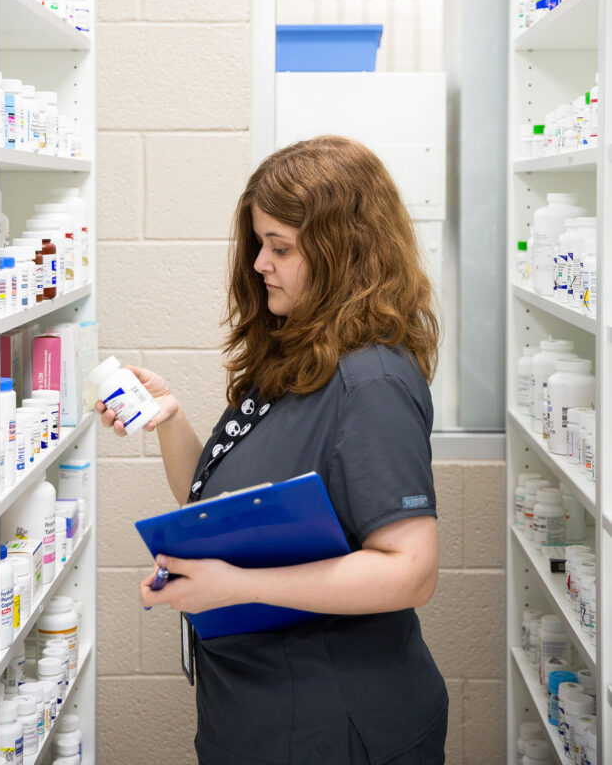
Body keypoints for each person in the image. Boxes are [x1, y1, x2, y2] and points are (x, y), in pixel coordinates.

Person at [97, 134, 448, 764]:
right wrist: (172, 421)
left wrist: (233, 586)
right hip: (256, 711)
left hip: (332, 722)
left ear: (346, 255)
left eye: (280, 248)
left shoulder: (372, 380)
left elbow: (410, 570)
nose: (261, 264)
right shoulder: (302, 351)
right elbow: (212, 503)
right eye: (261, 244)